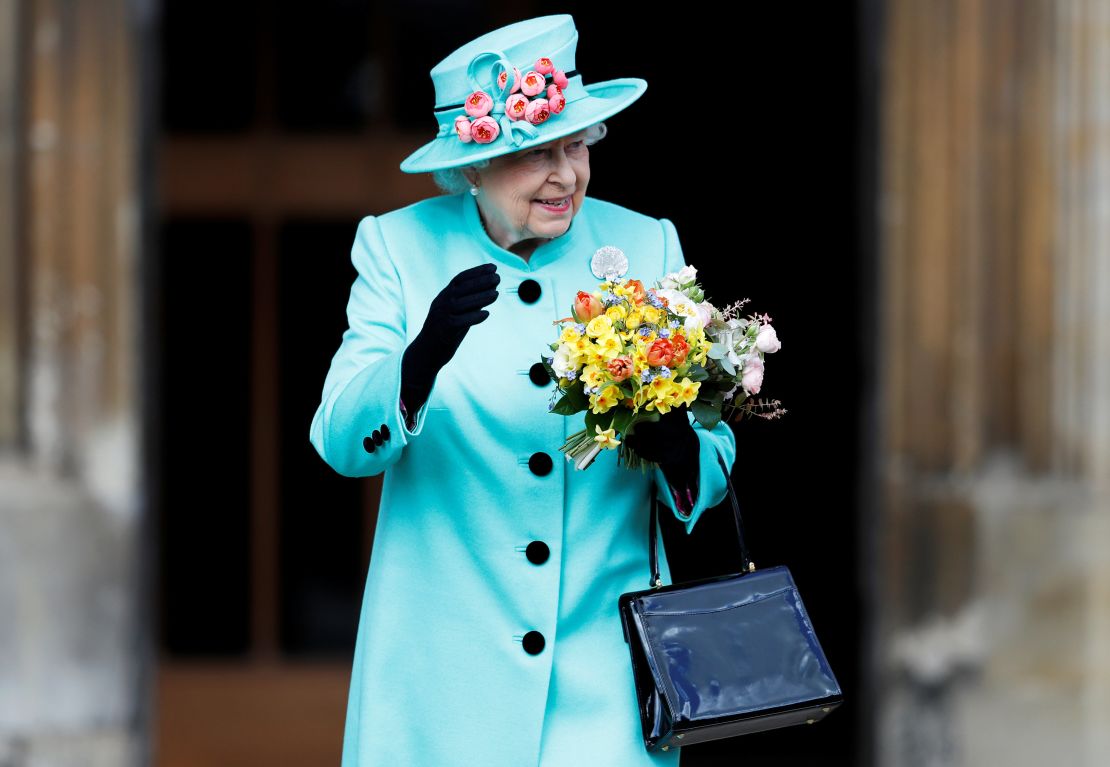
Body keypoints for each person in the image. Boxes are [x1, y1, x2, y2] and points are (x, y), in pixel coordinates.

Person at [309, 14, 737, 767]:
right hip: (444, 679)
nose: (566, 174)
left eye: (576, 145)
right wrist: (413, 368)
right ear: (470, 166)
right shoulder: (397, 248)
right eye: (535, 152)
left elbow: (713, 453)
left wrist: (677, 444)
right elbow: (342, 439)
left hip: (606, 675)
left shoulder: (645, 244)